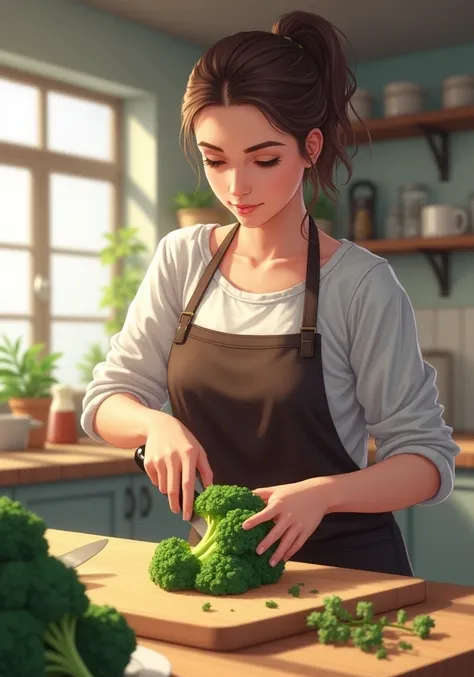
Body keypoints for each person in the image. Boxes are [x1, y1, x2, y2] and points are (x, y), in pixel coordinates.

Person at [81, 10, 459, 576]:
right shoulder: (183, 259)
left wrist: (323, 494)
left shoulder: (359, 284)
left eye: (264, 160)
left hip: (346, 574)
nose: (237, 187)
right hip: (218, 569)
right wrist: (153, 424)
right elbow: (107, 399)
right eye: (215, 161)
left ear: (309, 147)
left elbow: (427, 461)